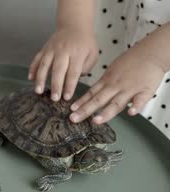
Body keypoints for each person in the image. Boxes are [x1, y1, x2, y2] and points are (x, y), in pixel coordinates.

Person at [28, 0, 170, 139]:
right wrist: (74, 24)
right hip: (115, 19)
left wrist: (154, 58)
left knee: (153, 140)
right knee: (92, 99)